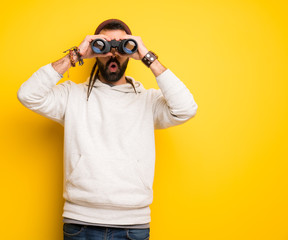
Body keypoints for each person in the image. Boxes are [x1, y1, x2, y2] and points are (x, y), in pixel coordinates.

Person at [17, 19, 198, 240]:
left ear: (131, 50)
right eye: (104, 45)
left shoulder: (148, 101)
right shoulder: (71, 96)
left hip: (133, 225)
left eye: (121, 45)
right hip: (80, 222)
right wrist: (76, 55)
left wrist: (147, 57)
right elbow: (28, 95)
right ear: (95, 48)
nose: (113, 53)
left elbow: (186, 109)